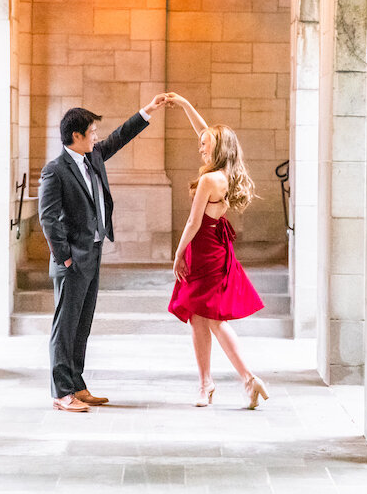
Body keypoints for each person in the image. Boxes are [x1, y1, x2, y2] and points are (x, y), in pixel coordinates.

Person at [38, 95, 168, 412]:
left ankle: (77, 385)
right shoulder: (55, 170)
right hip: (72, 261)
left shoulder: (93, 156)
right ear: (77, 136)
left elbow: (118, 137)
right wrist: (65, 257)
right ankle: (60, 392)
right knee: (64, 327)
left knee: (82, 325)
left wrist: (146, 112)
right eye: (92, 131)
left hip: (93, 255)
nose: (97, 136)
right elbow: (48, 218)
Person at [164, 92, 269, 409]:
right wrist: (184, 104)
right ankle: (206, 384)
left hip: (205, 249)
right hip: (213, 248)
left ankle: (248, 378)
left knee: (213, 320)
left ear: (217, 149)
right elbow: (205, 131)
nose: (200, 146)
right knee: (199, 317)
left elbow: (194, 221)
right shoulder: (223, 174)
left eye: (205, 145)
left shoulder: (210, 179)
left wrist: (178, 254)